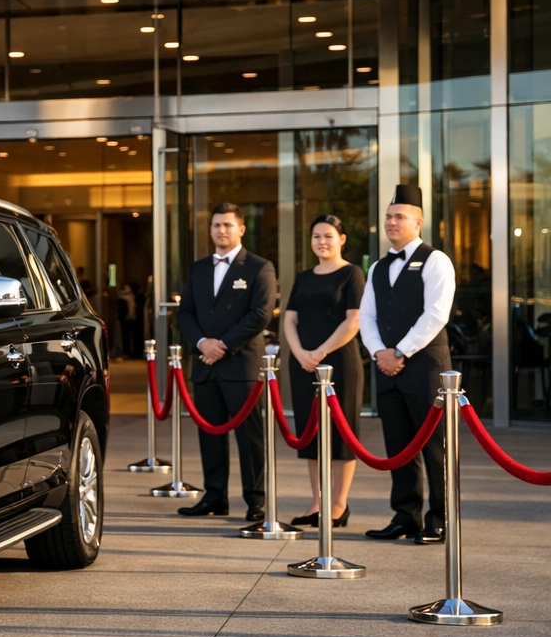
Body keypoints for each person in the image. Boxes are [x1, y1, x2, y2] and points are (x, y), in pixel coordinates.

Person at [360, 185, 456, 545]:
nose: (391, 222)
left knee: (434, 445)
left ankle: (441, 519)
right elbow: (366, 315)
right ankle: (406, 516)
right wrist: (379, 353)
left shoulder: (436, 260)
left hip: (425, 366)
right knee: (398, 445)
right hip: (386, 366)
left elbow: (436, 314)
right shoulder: (379, 266)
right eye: (388, 216)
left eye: (399, 216)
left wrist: (399, 351)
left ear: (418, 221)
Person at [174, 203, 277, 521]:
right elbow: (186, 312)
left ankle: (256, 502)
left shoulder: (259, 267)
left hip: (241, 365)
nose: (221, 230)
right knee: (210, 435)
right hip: (205, 364)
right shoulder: (199, 268)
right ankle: (215, 497)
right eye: (216, 225)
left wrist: (223, 345)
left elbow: (259, 315)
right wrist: (203, 343)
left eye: (228, 225)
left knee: (250, 439)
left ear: (241, 229)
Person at [281, 215, 365, 528]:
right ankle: (317, 503)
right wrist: (301, 353)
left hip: (338, 362)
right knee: (310, 435)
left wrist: (320, 352)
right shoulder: (303, 277)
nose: (322, 242)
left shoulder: (352, 273)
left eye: (328, 236)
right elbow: (290, 320)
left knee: (341, 435)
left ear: (341, 239)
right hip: (303, 364)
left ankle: (338, 505)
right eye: (316, 236)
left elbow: (353, 320)